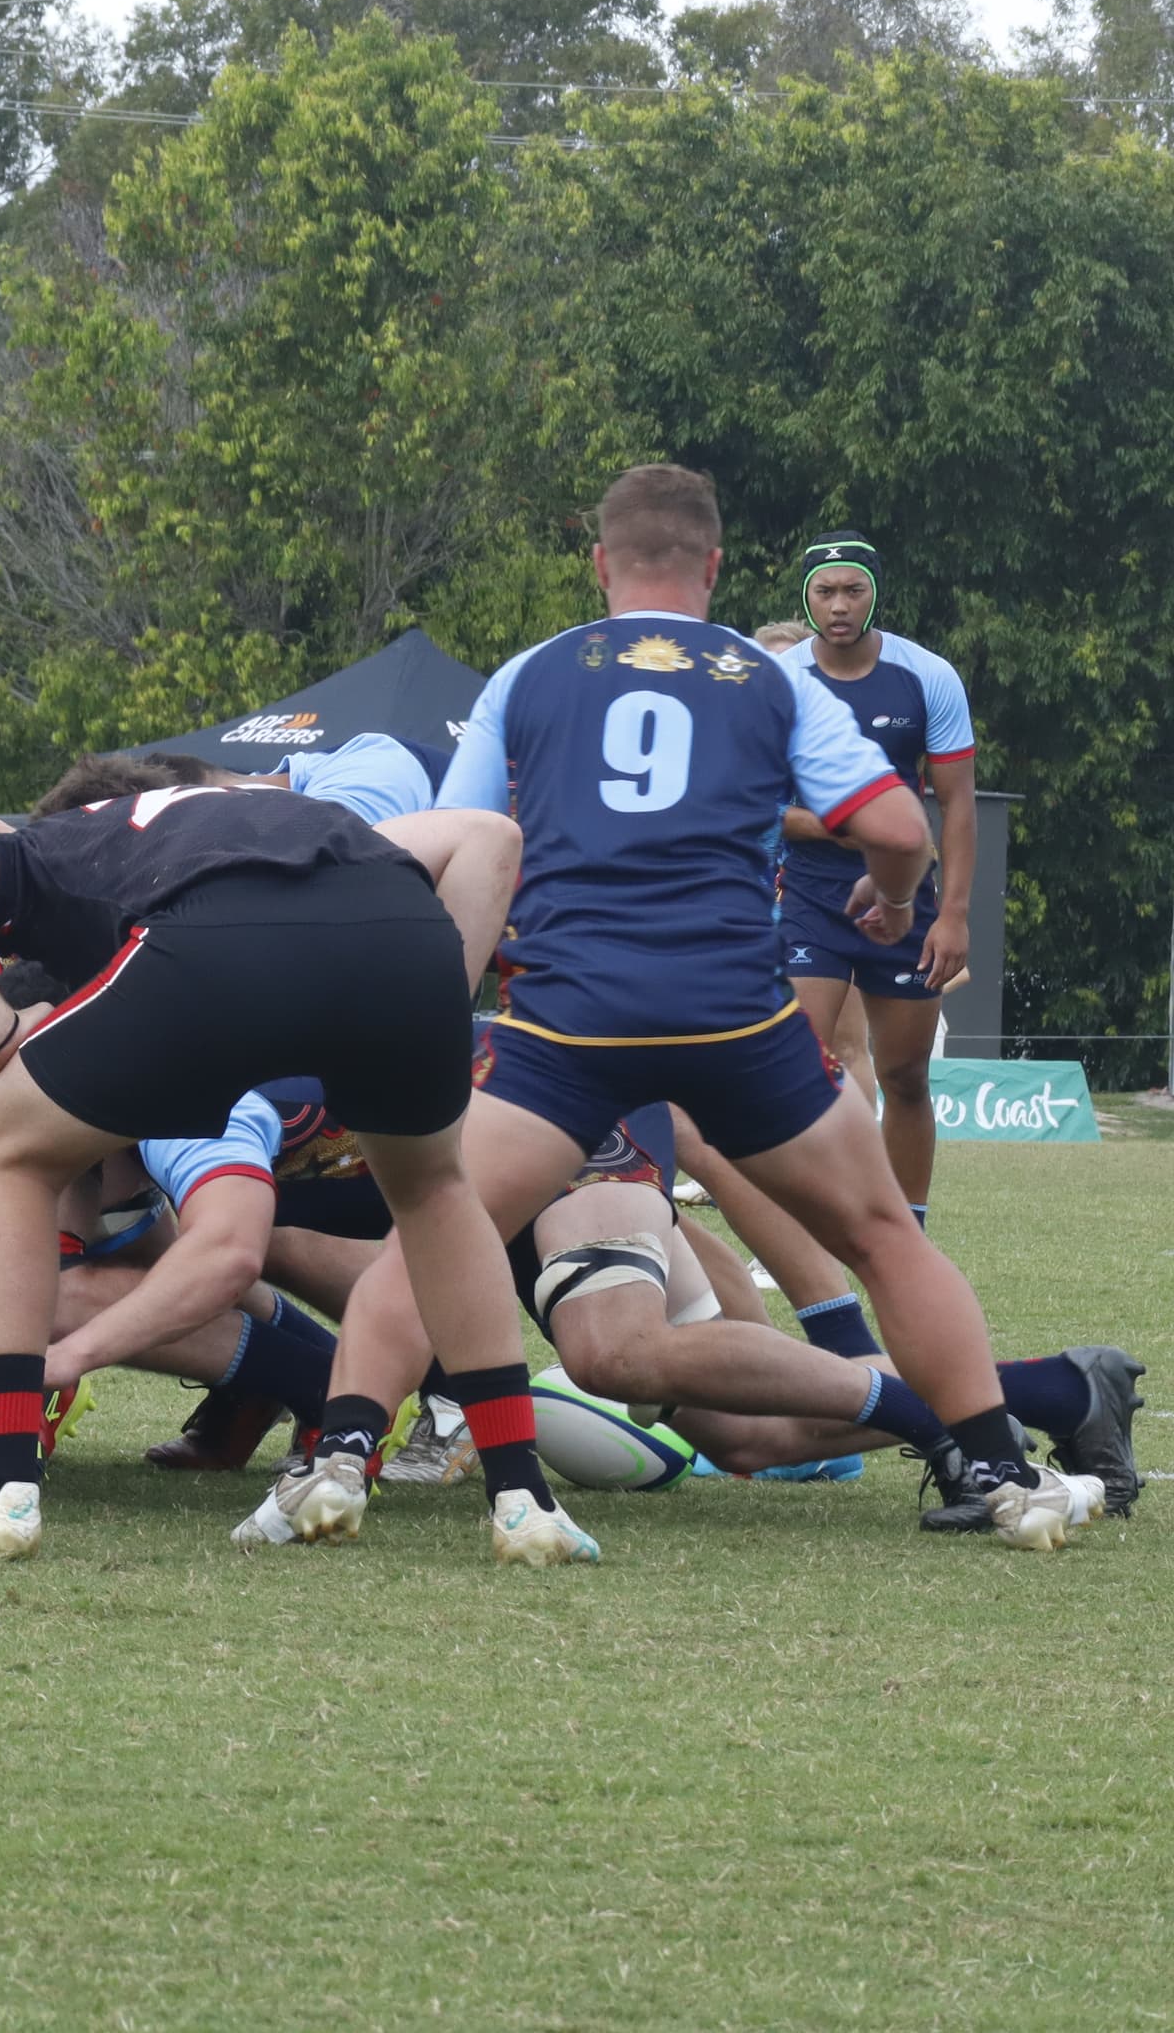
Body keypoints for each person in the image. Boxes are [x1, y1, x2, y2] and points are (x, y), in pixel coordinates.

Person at [320, 464, 1091, 1549]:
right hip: (735, 1016)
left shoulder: (530, 675)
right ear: (716, 565)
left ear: (599, 563)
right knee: (885, 1238)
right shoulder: (769, 676)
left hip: (568, 1022)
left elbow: (469, 844)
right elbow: (903, 829)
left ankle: (341, 1460)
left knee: (437, 1233)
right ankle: (1008, 1478)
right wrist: (897, 897)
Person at [0, 753, 589, 1565]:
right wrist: (423, 1026)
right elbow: (490, 836)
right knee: (435, 1194)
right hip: (401, 942)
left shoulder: (47, 850)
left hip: (206, 952)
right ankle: (524, 1499)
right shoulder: (296, 821)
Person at [770, 533, 977, 1217]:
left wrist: (952, 914)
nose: (838, 606)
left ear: (875, 593)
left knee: (906, 1077)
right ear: (805, 598)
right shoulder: (778, 678)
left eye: (852, 590)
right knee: (797, 1068)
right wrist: (851, 824)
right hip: (810, 894)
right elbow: (759, 803)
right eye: (824, 592)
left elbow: (956, 803)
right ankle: (807, 1230)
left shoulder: (928, 677)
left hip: (904, 894)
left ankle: (906, 1231)